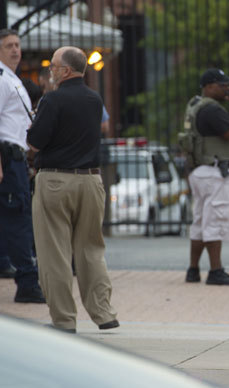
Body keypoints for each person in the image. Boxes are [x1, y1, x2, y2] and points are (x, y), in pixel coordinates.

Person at [27, 46, 118, 333]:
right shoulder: (94, 99)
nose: (50, 71)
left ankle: (64, 320)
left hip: (55, 180)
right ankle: (103, 313)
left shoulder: (51, 100)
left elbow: (35, 143)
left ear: (66, 70)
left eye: (53, 66)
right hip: (91, 180)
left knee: (54, 252)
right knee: (91, 249)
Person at [182, 68, 229, 286]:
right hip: (213, 170)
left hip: (200, 170)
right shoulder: (212, 110)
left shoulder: (195, 105)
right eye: (222, 84)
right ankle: (216, 271)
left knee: (200, 221)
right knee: (214, 220)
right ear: (209, 87)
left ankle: (193, 270)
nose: (227, 88)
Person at [0, 29, 45, 303]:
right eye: (8, 46)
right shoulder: (2, 80)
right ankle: (28, 282)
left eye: (17, 45)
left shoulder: (13, 79)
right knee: (17, 219)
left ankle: (15, 269)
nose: (15, 50)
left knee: (13, 217)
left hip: (16, 156)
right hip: (6, 157)